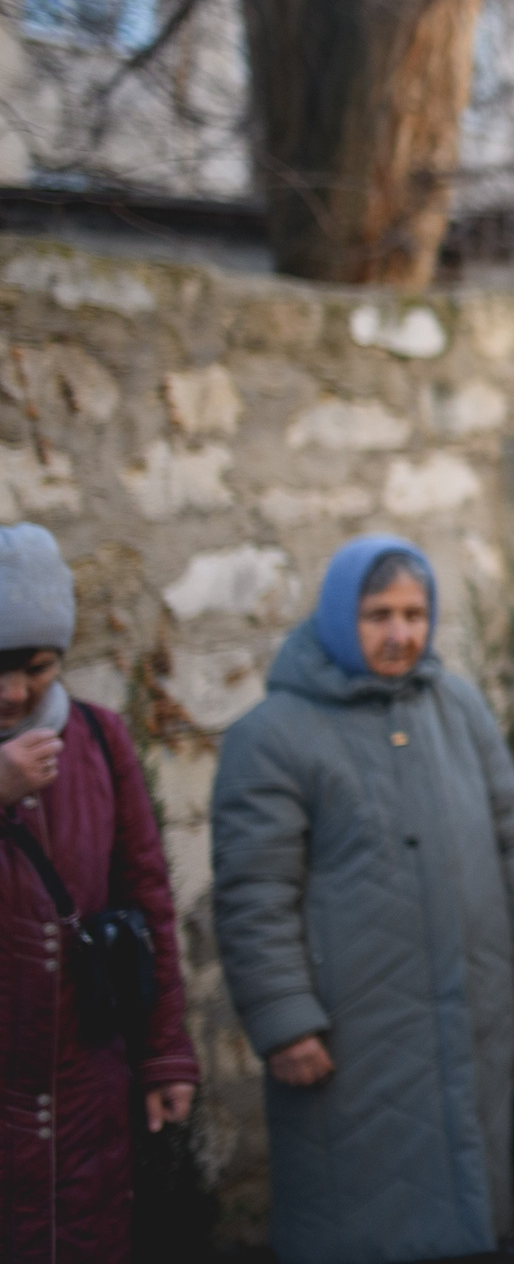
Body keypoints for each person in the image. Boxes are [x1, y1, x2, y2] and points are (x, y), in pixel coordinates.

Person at [214, 535, 514, 1264]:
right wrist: (285, 1022)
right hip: (351, 1032)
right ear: (342, 617)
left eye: (414, 612)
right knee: (365, 1212)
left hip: (472, 1017)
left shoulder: (457, 703)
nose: (401, 632)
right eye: (379, 613)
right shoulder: (272, 736)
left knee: (475, 1204)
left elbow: (513, 829)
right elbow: (256, 892)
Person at [0, 523, 198, 1263]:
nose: (14, 691)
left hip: (86, 1091)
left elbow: (146, 899)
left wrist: (165, 1054)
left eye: (37, 666)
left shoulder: (100, 740)